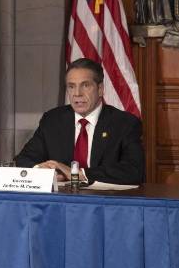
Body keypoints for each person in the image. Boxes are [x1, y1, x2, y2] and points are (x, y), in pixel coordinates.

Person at [15, 58, 145, 185]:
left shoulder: (124, 123)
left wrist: (77, 173)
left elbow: (134, 171)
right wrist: (42, 171)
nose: (77, 93)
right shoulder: (52, 120)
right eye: (71, 87)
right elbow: (23, 159)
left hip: (104, 203)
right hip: (60, 201)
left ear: (100, 89)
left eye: (85, 85)